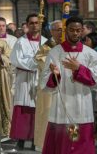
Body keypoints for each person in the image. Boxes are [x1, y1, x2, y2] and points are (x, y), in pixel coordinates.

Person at [40, 16, 97, 153]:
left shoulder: (91, 54)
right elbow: (45, 82)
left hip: (82, 106)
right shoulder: (55, 52)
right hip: (62, 107)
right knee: (64, 144)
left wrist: (79, 69)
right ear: (66, 30)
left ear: (82, 31)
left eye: (78, 30)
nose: (75, 33)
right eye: (72, 30)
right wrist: (55, 75)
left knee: (80, 144)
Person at [9, 13, 47, 149]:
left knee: (37, 109)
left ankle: (34, 139)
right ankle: (20, 139)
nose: (34, 25)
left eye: (37, 23)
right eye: (31, 23)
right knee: (23, 109)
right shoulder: (20, 42)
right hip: (24, 79)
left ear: (40, 24)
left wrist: (40, 64)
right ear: (27, 25)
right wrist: (35, 63)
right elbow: (15, 60)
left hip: (39, 79)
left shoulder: (45, 42)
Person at [34, 19, 62, 151]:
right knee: (47, 113)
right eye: (58, 30)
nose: (61, 32)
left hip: (64, 86)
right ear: (52, 31)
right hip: (49, 86)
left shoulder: (67, 45)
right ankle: (43, 143)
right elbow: (40, 60)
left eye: (63, 29)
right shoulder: (46, 46)